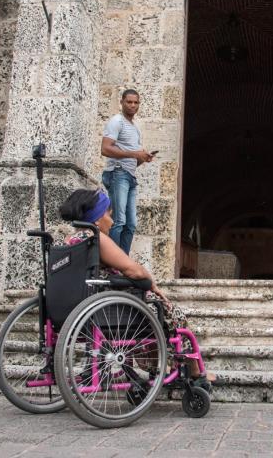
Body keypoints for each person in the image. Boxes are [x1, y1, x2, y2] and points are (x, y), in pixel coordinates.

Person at [58, 188, 216, 385]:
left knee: (149, 305)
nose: (112, 221)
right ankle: (194, 370)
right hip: (107, 309)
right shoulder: (96, 238)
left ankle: (157, 366)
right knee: (169, 311)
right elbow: (134, 270)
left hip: (74, 307)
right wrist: (152, 285)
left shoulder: (70, 241)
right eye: (108, 215)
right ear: (97, 219)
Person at [101, 89, 155, 255]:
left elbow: (133, 159)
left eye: (136, 102)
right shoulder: (117, 121)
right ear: (122, 102)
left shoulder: (135, 127)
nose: (132, 105)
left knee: (131, 224)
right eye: (129, 102)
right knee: (118, 221)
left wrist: (142, 158)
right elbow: (105, 149)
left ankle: (122, 262)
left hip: (130, 176)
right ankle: (112, 261)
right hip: (117, 174)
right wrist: (135, 154)